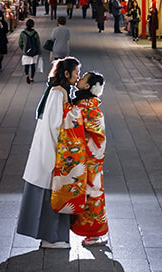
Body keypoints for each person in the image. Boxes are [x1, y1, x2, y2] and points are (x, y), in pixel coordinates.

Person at [18, 57, 81, 249]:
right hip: (51, 151)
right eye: (76, 73)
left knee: (53, 195)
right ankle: (51, 238)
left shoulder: (58, 91)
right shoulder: (57, 93)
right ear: (66, 73)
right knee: (51, 196)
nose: (78, 77)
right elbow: (55, 126)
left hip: (53, 150)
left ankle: (54, 237)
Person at [52, 71, 109, 247]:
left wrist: (62, 100)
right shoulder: (86, 103)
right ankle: (94, 233)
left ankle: (96, 234)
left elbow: (72, 117)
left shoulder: (86, 106)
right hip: (89, 158)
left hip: (89, 159)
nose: (79, 78)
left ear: (87, 86)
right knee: (90, 195)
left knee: (92, 196)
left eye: (83, 77)